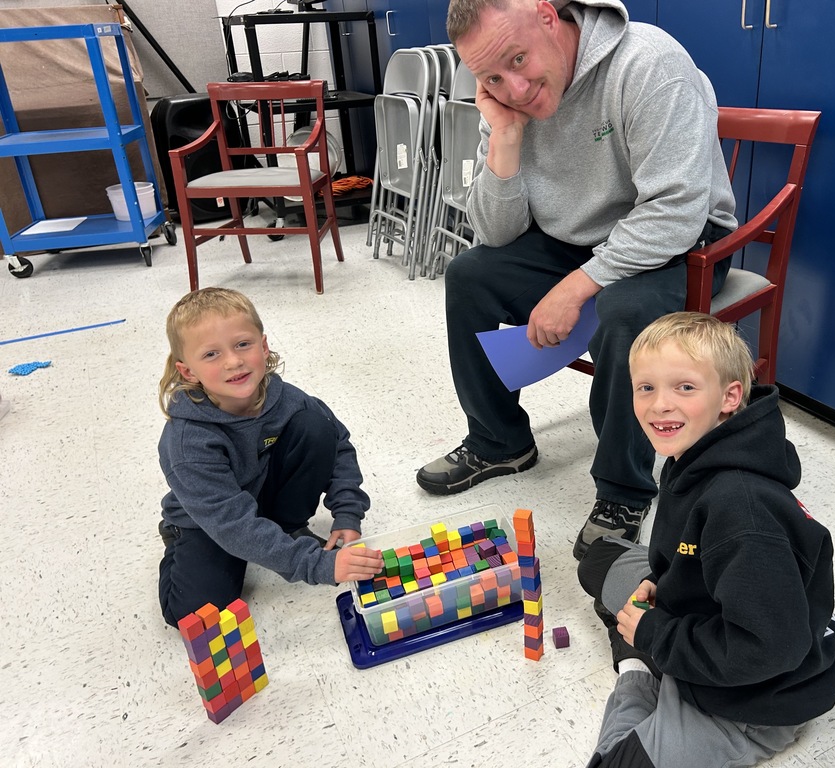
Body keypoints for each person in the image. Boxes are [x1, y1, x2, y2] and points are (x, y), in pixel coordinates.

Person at [415, 0, 738, 561]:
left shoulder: (648, 63)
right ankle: (499, 441)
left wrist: (577, 286)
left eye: (518, 60)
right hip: (575, 237)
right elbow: (495, 233)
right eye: (492, 77)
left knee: (625, 313)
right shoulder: (505, 99)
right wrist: (505, 136)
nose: (514, 88)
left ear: (547, 15)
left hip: (678, 241)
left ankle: (623, 491)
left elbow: (676, 209)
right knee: (469, 274)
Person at [575, 312, 835, 767]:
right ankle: (652, 646)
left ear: (730, 397)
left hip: (756, 696)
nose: (660, 405)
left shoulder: (741, 509)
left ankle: (639, 666)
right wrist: (659, 584)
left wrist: (653, 635)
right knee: (597, 561)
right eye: (646, 387)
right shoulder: (695, 448)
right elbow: (693, 554)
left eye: (684, 387)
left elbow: (770, 649)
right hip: (711, 613)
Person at [156, 287, 383, 628]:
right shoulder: (187, 442)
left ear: (263, 347)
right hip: (209, 519)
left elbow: (337, 445)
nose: (233, 361)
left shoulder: (288, 399)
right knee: (197, 615)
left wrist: (348, 513)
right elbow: (232, 524)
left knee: (315, 425)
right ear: (188, 372)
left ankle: (285, 526)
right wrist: (316, 565)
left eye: (242, 344)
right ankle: (175, 537)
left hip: (258, 496)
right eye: (212, 354)